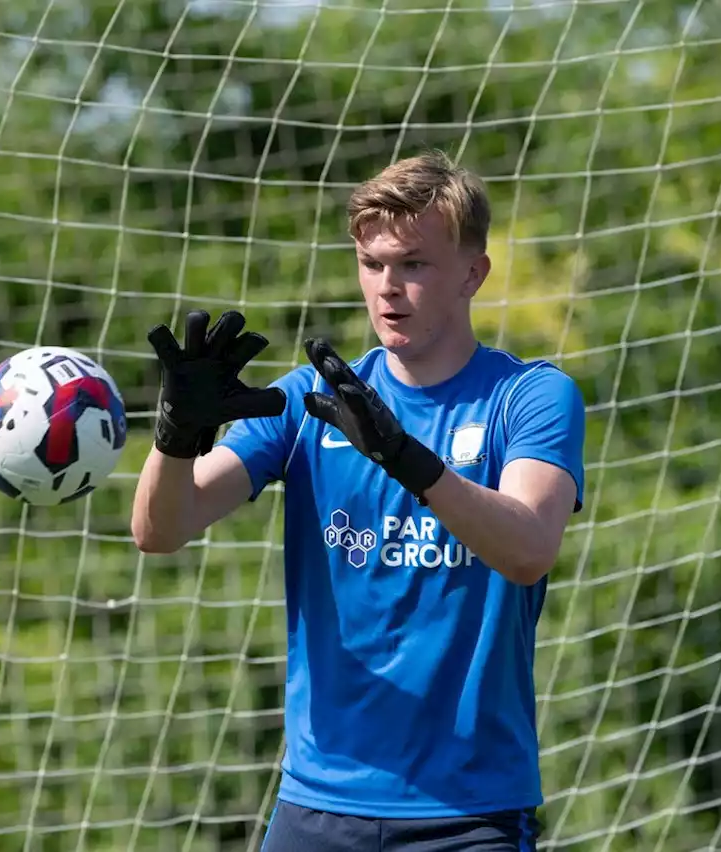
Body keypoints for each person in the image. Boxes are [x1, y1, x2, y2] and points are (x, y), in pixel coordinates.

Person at [131, 150, 587, 851]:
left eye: (413, 264)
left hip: (469, 812)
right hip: (317, 806)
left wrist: (405, 457)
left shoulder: (530, 396)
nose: (388, 287)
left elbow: (529, 550)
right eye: (373, 265)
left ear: (473, 273)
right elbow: (160, 530)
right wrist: (175, 436)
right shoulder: (308, 400)